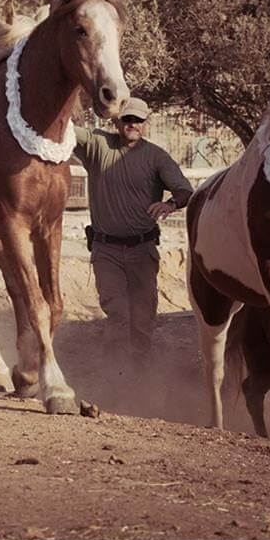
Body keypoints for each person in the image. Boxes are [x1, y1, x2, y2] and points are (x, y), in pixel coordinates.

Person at [73, 97, 193, 364]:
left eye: (138, 120)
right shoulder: (98, 144)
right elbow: (65, 131)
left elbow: (185, 191)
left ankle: (141, 373)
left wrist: (170, 204)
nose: (132, 124)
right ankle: (116, 374)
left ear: (146, 123)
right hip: (106, 250)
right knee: (117, 313)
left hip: (142, 250)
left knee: (143, 318)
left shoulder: (156, 157)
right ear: (117, 121)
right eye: (127, 119)